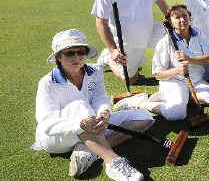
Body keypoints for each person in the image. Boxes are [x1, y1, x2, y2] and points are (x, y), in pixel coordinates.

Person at [33, 29, 153, 180]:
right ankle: (113, 162)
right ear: (59, 57)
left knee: (145, 117)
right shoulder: (47, 83)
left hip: (93, 127)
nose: (77, 56)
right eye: (70, 53)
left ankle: (90, 151)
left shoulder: (95, 71)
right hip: (58, 138)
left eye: (81, 51)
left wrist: (104, 112)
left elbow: (100, 98)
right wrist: (81, 124)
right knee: (79, 105)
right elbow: (46, 125)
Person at [114, 5, 209, 121]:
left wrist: (189, 59)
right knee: (177, 114)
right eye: (177, 17)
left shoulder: (199, 34)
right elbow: (158, 74)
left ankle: (176, 98)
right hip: (175, 82)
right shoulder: (165, 43)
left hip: (196, 81)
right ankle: (141, 102)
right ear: (170, 21)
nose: (182, 20)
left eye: (185, 16)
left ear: (190, 18)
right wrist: (177, 70)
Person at [92, 0, 169, 85]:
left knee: (174, 33)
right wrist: (113, 50)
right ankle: (108, 58)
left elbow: (161, 3)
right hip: (126, 41)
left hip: (149, 31)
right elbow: (100, 23)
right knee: (132, 80)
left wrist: (176, 22)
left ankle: (172, 71)